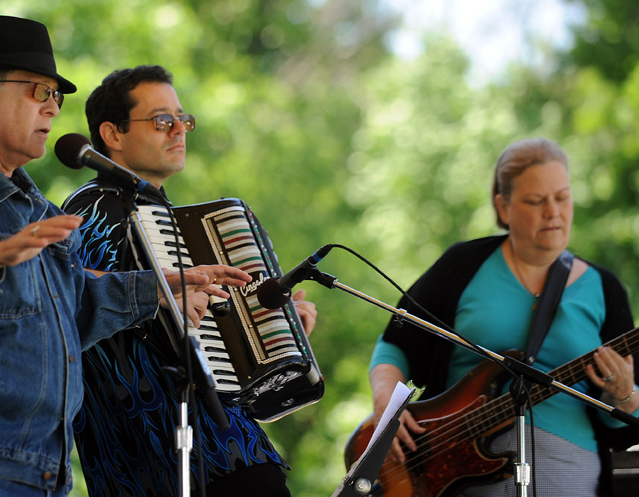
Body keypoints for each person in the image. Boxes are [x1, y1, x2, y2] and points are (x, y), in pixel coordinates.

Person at [0, 18, 250, 497]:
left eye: (57, 96)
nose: (53, 107)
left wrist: (159, 287)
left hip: (42, 472)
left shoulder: (36, 210)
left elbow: (73, 307)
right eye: (39, 91)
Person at [61, 65, 318, 496]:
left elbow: (191, 324)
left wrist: (268, 324)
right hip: (162, 458)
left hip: (220, 447)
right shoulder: (93, 207)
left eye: (184, 119)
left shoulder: (157, 215)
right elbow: (87, 297)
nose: (179, 130)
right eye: (163, 120)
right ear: (113, 134)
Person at [368, 137, 639, 496]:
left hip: (569, 476)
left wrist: (624, 396)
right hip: (447, 472)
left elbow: (622, 425)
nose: (553, 212)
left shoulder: (605, 289)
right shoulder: (462, 266)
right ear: (503, 205)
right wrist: (387, 402)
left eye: (562, 197)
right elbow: (395, 345)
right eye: (535, 201)